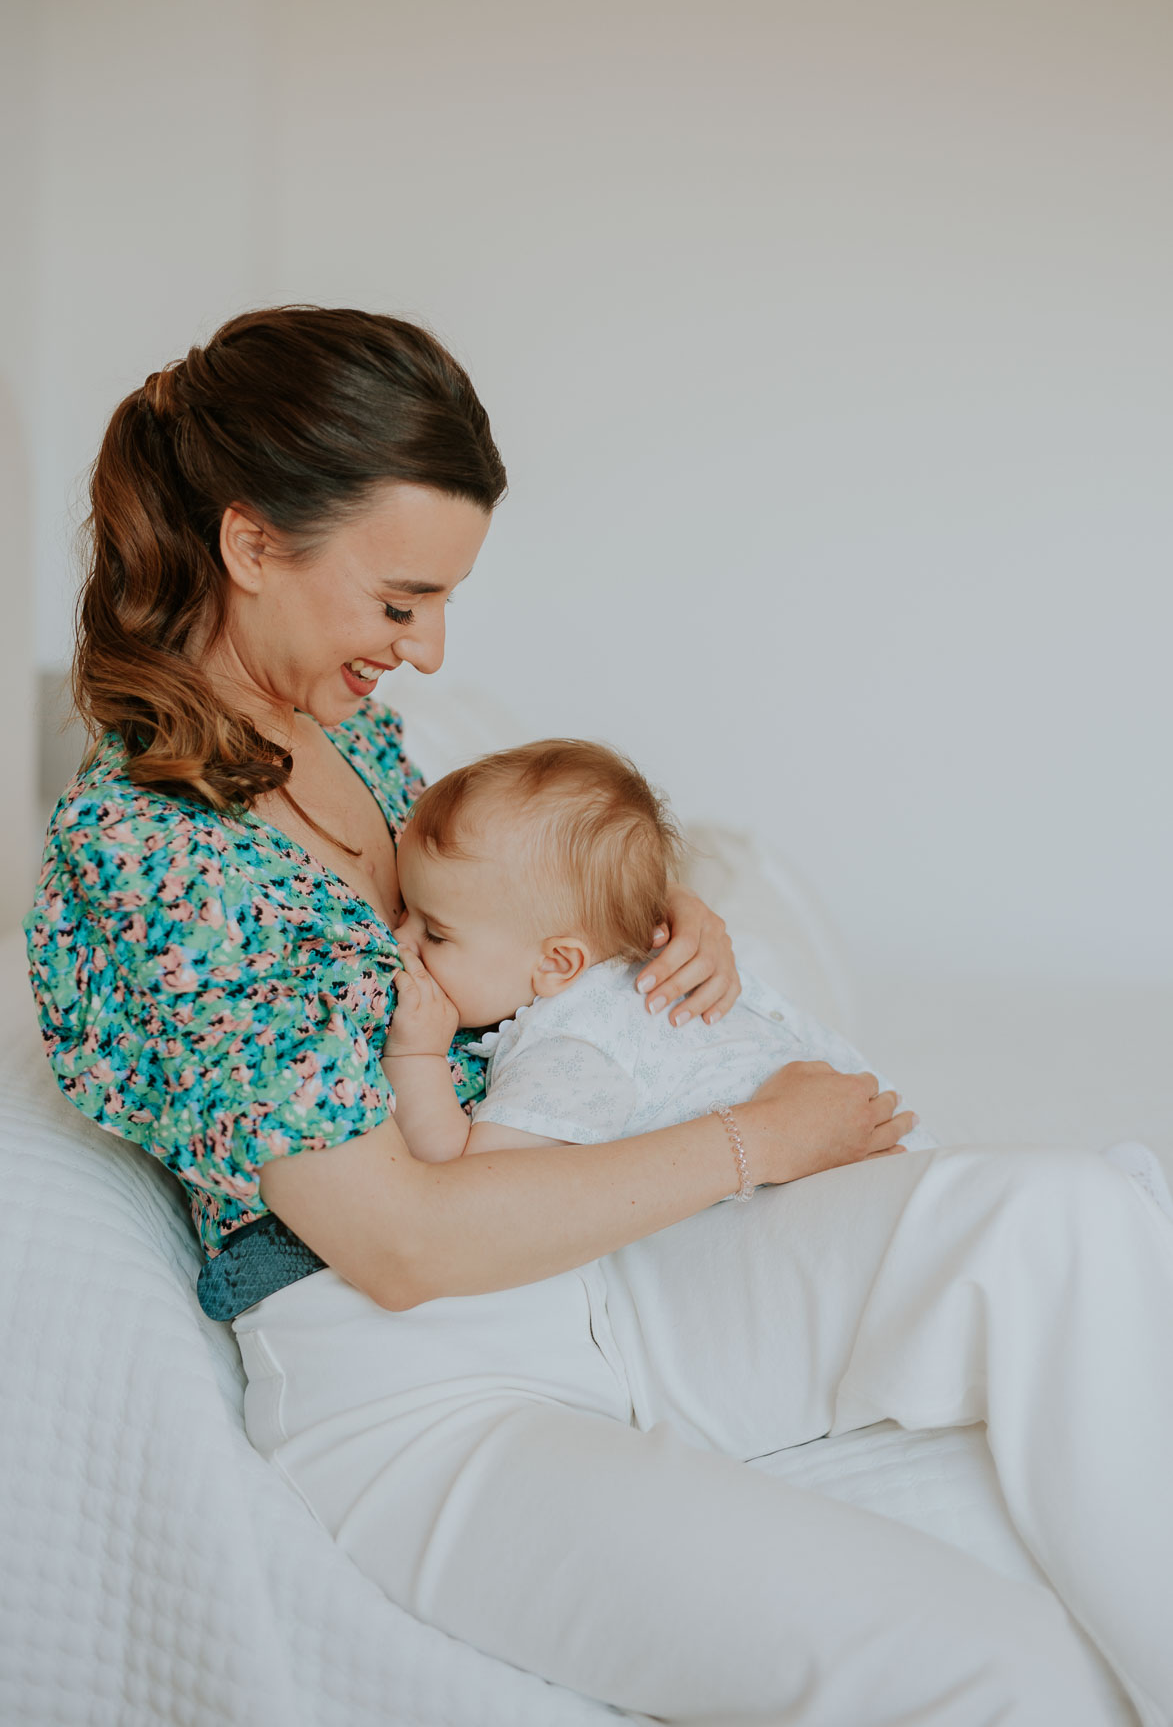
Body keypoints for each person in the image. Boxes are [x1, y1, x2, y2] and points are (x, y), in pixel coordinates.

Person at [23, 304, 1173, 1727]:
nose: (430, 651)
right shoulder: (147, 852)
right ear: (252, 544)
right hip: (427, 1396)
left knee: (1071, 1220)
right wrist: (760, 1141)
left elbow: (504, 912)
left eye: (442, 602)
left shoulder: (350, 735)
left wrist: (645, 916)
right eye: (399, 603)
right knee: (999, 1671)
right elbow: (398, 1244)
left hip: (611, 1276)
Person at [383, 736, 933, 1168]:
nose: (398, 938)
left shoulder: (572, 1047)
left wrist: (417, 1057)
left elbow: (470, 1180)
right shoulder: (619, 968)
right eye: (405, 910)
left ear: (558, 963)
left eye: (434, 933)